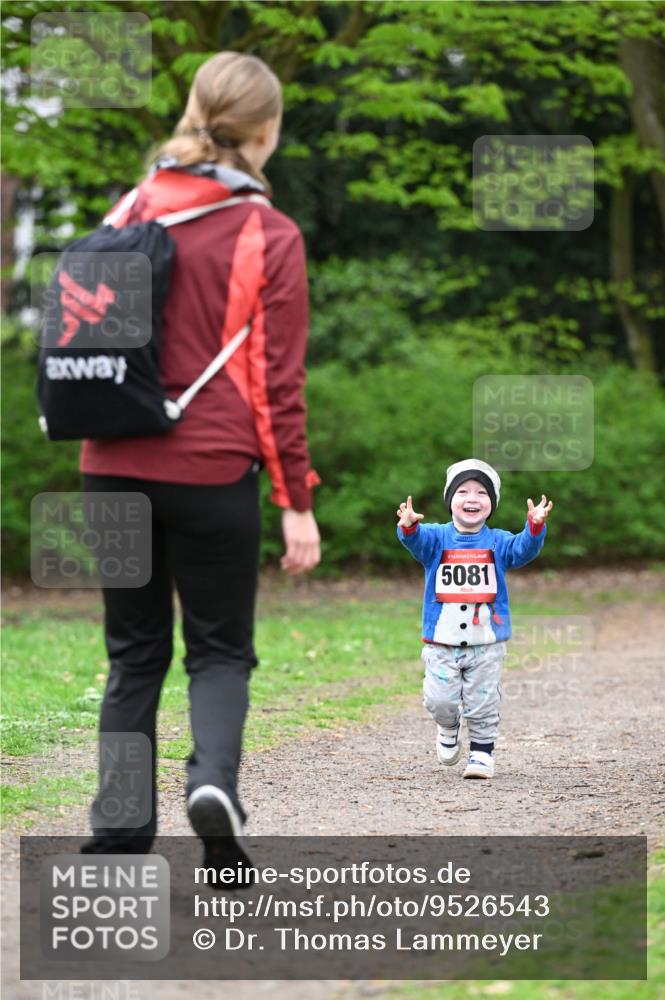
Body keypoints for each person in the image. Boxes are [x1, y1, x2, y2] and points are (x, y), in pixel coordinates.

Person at [79, 52, 321, 867]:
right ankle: (213, 785)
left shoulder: (131, 205)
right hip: (211, 470)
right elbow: (276, 384)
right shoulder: (267, 232)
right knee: (217, 651)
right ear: (265, 130)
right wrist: (296, 500)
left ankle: (117, 833)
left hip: (108, 462)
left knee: (132, 652)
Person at [396, 459, 553, 779]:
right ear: (450, 500)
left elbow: (523, 550)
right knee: (439, 700)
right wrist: (409, 526)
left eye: (481, 493)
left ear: (491, 504)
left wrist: (534, 527)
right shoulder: (436, 539)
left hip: (486, 642)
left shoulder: (498, 541)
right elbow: (414, 541)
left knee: (482, 701)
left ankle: (481, 754)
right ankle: (448, 725)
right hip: (442, 641)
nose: (472, 498)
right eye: (463, 491)